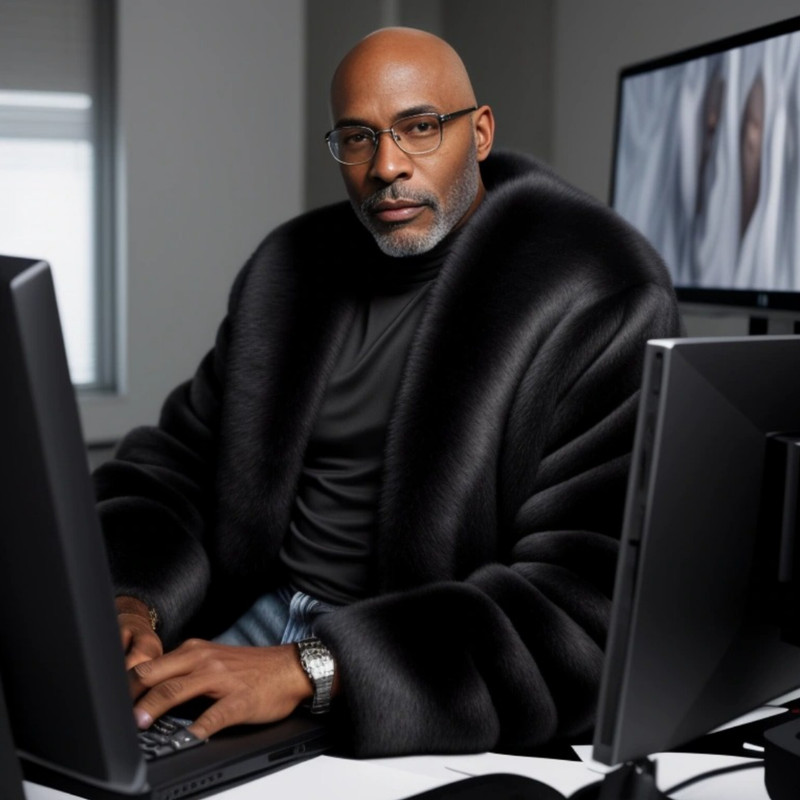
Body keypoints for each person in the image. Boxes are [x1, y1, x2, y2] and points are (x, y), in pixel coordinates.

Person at [95, 27, 681, 758]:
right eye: (357, 138)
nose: (387, 166)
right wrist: (131, 600)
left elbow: (585, 608)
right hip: (245, 627)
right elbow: (175, 465)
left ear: (481, 132)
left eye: (420, 127)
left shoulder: (597, 290)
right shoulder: (286, 273)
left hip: (405, 673)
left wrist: (315, 668)